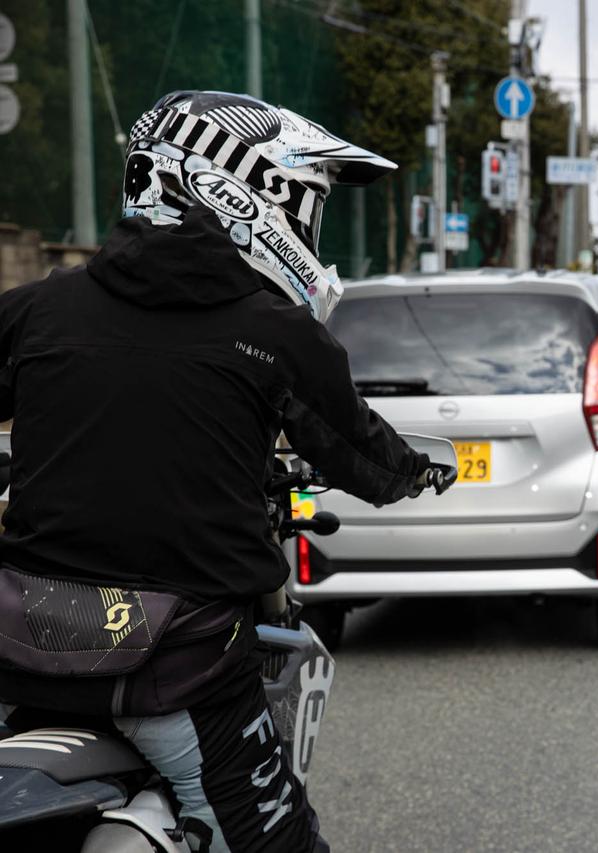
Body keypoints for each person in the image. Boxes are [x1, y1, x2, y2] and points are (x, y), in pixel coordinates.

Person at [0, 91, 433, 852]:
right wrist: (419, 471)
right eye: (304, 201)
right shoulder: (274, 333)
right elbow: (361, 454)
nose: (307, 225)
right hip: (176, 673)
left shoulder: (36, 309)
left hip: (21, 660)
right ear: (245, 191)